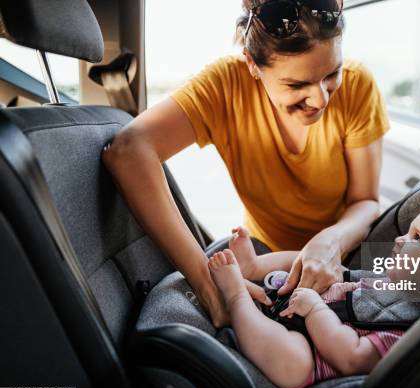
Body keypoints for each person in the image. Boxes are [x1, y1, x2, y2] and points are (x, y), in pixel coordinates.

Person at [102, 0, 390, 327]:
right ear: (253, 65)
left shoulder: (358, 85)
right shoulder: (225, 85)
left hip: (346, 249)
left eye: (331, 75)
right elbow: (127, 150)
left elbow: (365, 202)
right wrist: (207, 286)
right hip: (264, 256)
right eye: (297, 85)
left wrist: (331, 240)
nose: (321, 99)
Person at [207, 204, 420, 388]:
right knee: (328, 265)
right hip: (303, 304)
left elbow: (352, 357)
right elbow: (348, 283)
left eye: (417, 239)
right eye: (409, 232)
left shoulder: (411, 328)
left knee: (292, 365)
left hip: (314, 357)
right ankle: (254, 267)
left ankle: (235, 297)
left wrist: (316, 310)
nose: (400, 240)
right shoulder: (392, 282)